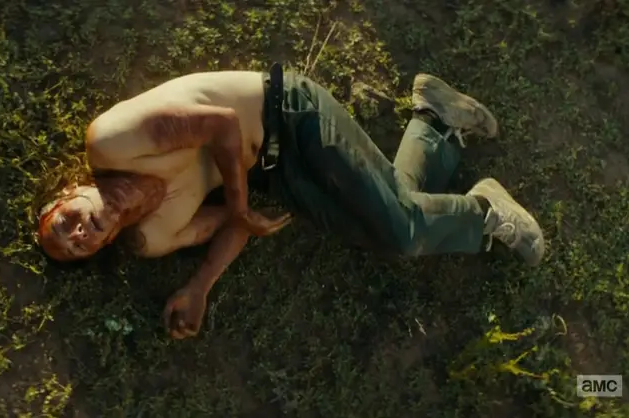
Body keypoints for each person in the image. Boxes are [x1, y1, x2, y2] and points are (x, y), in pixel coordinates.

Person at [35, 64, 545, 340]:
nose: (80, 233)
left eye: (66, 224)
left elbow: (222, 126)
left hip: (290, 112)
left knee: (402, 230)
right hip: (274, 176)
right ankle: (435, 121)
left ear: (69, 194)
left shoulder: (112, 142)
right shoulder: (152, 236)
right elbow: (236, 221)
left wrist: (239, 206)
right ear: (102, 247)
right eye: (79, 247)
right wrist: (200, 285)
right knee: (388, 228)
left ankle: (484, 212)